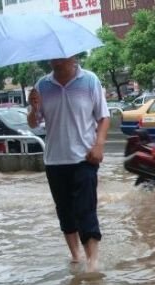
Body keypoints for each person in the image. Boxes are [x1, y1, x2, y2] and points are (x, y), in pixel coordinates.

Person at [27, 56, 110, 272]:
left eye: (60, 57)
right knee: (64, 210)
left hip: (84, 158)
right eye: (51, 58)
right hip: (55, 160)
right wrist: (33, 108)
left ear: (72, 56)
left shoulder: (90, 80)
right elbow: (34, 124)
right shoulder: (42, 85)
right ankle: (76, 256)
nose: (55, 61)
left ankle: (92, 261)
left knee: (85, 208)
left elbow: (104, 117)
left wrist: (99, 145)